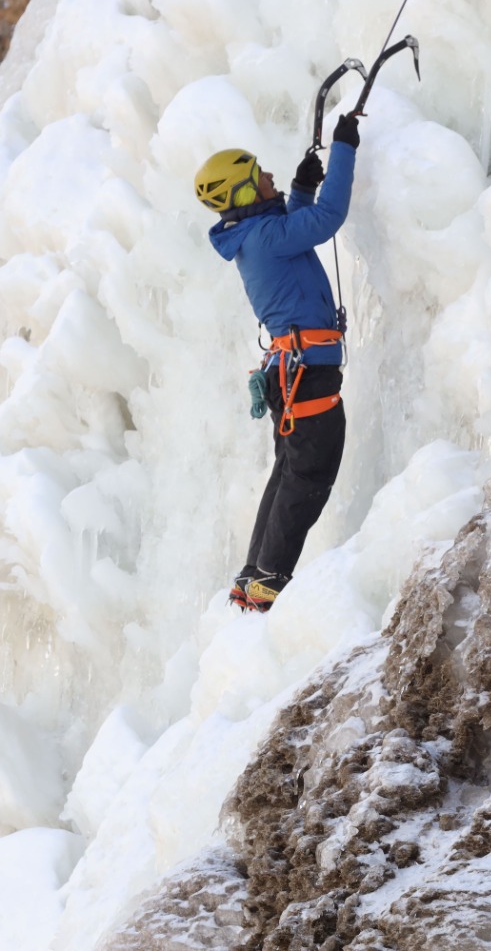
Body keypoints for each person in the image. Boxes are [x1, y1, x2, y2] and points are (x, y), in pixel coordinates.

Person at [192, 112, 361, 611]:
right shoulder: (262, 238)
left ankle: (255, 576)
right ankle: (268, 582)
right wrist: (344, 149)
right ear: (245, 193)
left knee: (290, 473)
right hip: (305, 370)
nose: (267, 176)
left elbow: (298, 226)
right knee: (308, 475)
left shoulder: (257, 237)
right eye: (259, 174)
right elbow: (326, 221)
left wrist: (300, 186)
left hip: (294, 370)